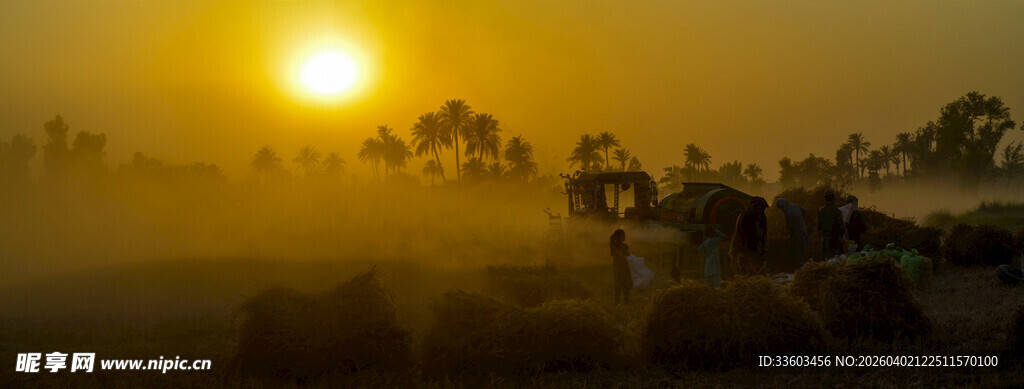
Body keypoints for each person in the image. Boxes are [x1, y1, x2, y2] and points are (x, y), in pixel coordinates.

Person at [729, 197, 769, 276]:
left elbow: (764, 234)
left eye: (761, 209)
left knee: (758, 271)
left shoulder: (762, 218)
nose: (759, 211)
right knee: (743, 270)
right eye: (757, 209)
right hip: (742, 247)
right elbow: (739, 235)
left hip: (756, 248)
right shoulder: (744, 217)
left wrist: (764, 247)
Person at [775, 198, 809, 266]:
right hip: (804, 229)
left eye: (780, 207)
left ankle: (803, 265)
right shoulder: (794, 205)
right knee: (805, 247)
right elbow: (805, 211)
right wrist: (802, 219)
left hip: (797, 234)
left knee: (799, 250)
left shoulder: (788, 213)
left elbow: (790, 228)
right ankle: (808, 263)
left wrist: (786, 233)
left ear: (782, 206)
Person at [817, 188, 846, 260]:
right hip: (836, 241)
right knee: (837, 263)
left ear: (825, 198)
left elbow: (819, 227)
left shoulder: (821, 211)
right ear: (833, 198)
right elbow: (842, 228)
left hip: (826, 241)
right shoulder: (837, 211)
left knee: (826, 263)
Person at [610, 229, 631, 304]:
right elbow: (617, 254)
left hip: (625, 267)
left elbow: (628, 255)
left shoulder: (625, 246)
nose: (624, 237)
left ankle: (626, 301)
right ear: (619, 237)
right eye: (623, 235)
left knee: (626, 285)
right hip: (618, 268)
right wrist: (626, 258)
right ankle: (617, 302)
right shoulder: (615, 247)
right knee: (618, 285)